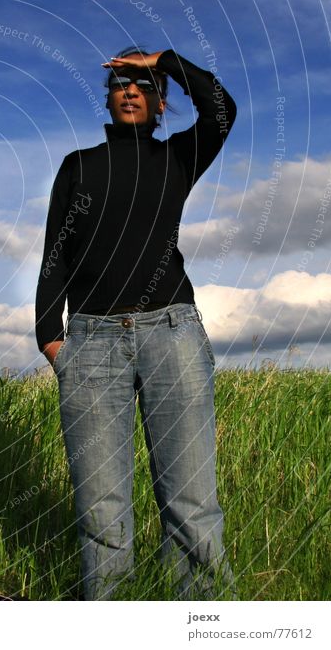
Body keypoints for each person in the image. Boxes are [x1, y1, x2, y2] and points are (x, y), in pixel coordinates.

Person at [35, 45, 237, 600]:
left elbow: (223, 111)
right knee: (102, 513)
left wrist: (166, 60)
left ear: (161, 103)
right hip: (91, 344)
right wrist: (51, 337)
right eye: (121, 82)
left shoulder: (177, 158)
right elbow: (56, 252)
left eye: (143, 85)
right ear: (107, 96)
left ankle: (206, 626)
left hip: (172, 335)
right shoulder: (78, 166)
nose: (131, 91)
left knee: (192, 505)